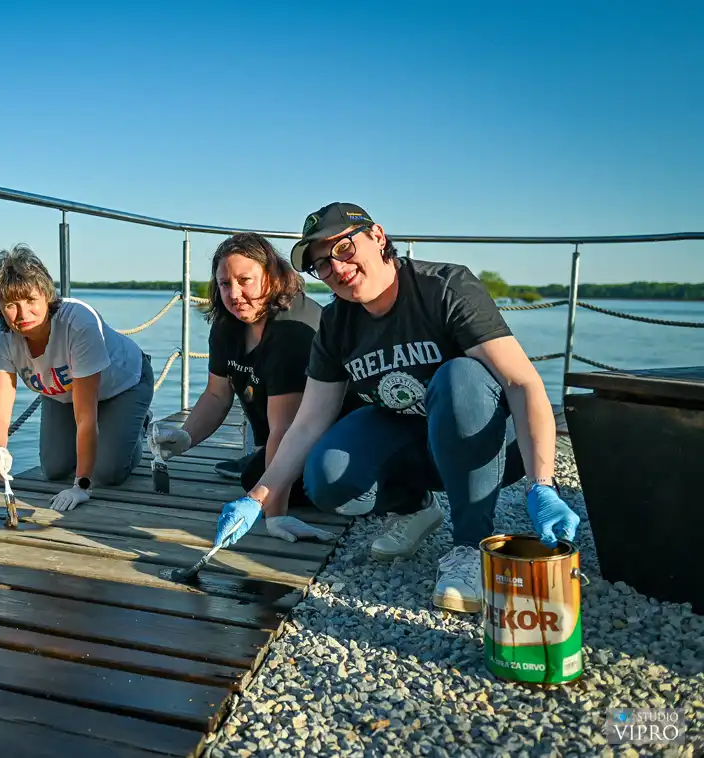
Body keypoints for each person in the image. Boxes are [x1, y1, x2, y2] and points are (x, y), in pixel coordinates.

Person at [213, 202, 580, 613]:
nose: (336, 268)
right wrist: (258, 497)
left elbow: (522, 382)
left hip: (491, 442)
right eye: (321, 264)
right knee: (326, 475)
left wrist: (542, 484)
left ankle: (470, 549)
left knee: (460, 377)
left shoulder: (443, 287)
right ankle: (415, 508)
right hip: (413, 437)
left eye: (343, 249)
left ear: (378, 237)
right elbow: (307, 423)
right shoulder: (337, 324)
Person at [146, 232, 349, 543]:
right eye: (225, 284)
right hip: (280, 431)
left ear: (272, 276)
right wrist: (186, 437)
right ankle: (259, 459)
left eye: (245, 280)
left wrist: (274, 515)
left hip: (329, 436)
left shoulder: (292, 328)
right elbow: (217, 394)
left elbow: (287, 429)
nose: (235, 294)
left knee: (310, 484)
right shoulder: (228, 323)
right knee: (252, 476)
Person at [0, 244, 154, 510]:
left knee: (107, 474)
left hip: (124, 383)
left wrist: (81, 486)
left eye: (31, 300)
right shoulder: (2, 338)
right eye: (11, 304)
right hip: (62, 393)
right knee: (54, 469)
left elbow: (86, 417)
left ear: (47, 296)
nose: (23, 313)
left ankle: (137, 427)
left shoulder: (78, 323)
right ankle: (113, 435)